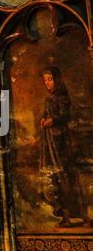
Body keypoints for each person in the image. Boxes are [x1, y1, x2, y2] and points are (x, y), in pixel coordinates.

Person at [39, 66, 85, 224]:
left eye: (50, 79)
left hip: (61, 142)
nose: (47, 83)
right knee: (53, 176)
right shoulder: (48, 99)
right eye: (45, 80)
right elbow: (45, 114)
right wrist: (43, 120)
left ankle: (77, 213)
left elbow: (65, 115)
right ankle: (64, 215)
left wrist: (53, 121)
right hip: (50, 142)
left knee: (64, 174)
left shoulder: (63, 97)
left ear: (56, 80)